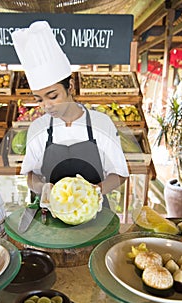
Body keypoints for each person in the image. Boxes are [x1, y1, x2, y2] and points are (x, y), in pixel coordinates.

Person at [12, 21, 129, 209]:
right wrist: (43, 187)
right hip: (51, 215)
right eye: (39, 99)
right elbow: (31, 175)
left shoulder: (101, 123)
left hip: (94, 212)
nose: (46, 106)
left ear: (70, 87)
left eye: (53, 96)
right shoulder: (38, 128)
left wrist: (96, 190)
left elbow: (119, 174)